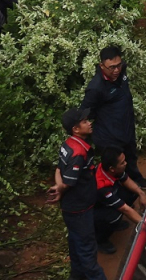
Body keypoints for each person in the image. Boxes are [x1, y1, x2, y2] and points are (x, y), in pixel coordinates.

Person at [83, 45, 146, 190]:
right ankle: (118, 196)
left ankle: (138, 181)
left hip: (126, 127)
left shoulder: (121, 72)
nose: (116, 70)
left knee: (130, 156)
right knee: (116, 167)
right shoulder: (96, 88)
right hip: (109, 136)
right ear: (102, 65)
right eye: (111, 67)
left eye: (118, 66)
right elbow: (86, 113)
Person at [50, 107, 106, 280]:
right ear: (75, 129)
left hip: (71, 208)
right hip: (79, 209)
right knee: (87, 248)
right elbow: (68, 181)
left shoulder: (68, 144)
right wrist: (60, 188)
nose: (89, 123)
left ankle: (77, 276)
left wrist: (58, 188)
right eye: (84, 121)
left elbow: (59, 170)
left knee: (75, 244)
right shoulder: (79, 153)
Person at [93, 144, 146, 254]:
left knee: (134, 191)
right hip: (92, 210)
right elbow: (125, 210)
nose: (126, 163)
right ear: (112, 169)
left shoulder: (109, 169)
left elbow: (126, 179)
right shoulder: (101, 186)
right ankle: (100, 240)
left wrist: (141, 193)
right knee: (115, 216)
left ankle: (114, 223)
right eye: (122, 163)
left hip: (105, 200)